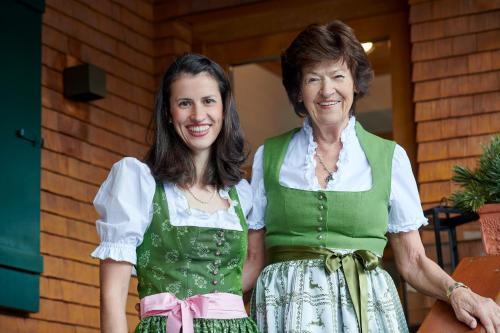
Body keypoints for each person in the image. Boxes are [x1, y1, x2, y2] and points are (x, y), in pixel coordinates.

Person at [249, 21, 500, 333]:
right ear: (299, 89)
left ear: (355, 82)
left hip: (366, 316)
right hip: (285, 317)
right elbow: (251, 260)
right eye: (314, 78)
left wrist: (458, 292)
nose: (327, 90)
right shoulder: (268, 157)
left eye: (338, 76)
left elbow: (414, 262)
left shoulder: (389, 158)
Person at [91, 53, 265, 333]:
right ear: (169, 115)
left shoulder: (241, 194)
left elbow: (253, 265)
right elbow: (112, 297)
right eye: (185, 103)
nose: (198, 115)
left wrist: (214, 304)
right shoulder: (140, 183)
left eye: (208, 101)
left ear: (223, 110)